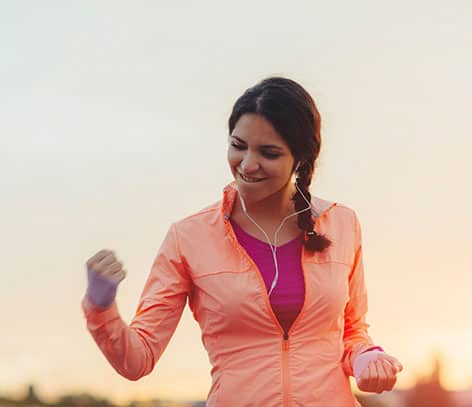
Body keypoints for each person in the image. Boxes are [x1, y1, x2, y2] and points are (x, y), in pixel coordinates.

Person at [82, 77, 403, 406]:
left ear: (301, 159)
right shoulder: (188, 238)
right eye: (238, 146)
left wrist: (366, 357)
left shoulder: (342, 224)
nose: (248, 165)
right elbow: (137, 360)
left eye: (269, 153)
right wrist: (101, 307)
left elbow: (351, 331)